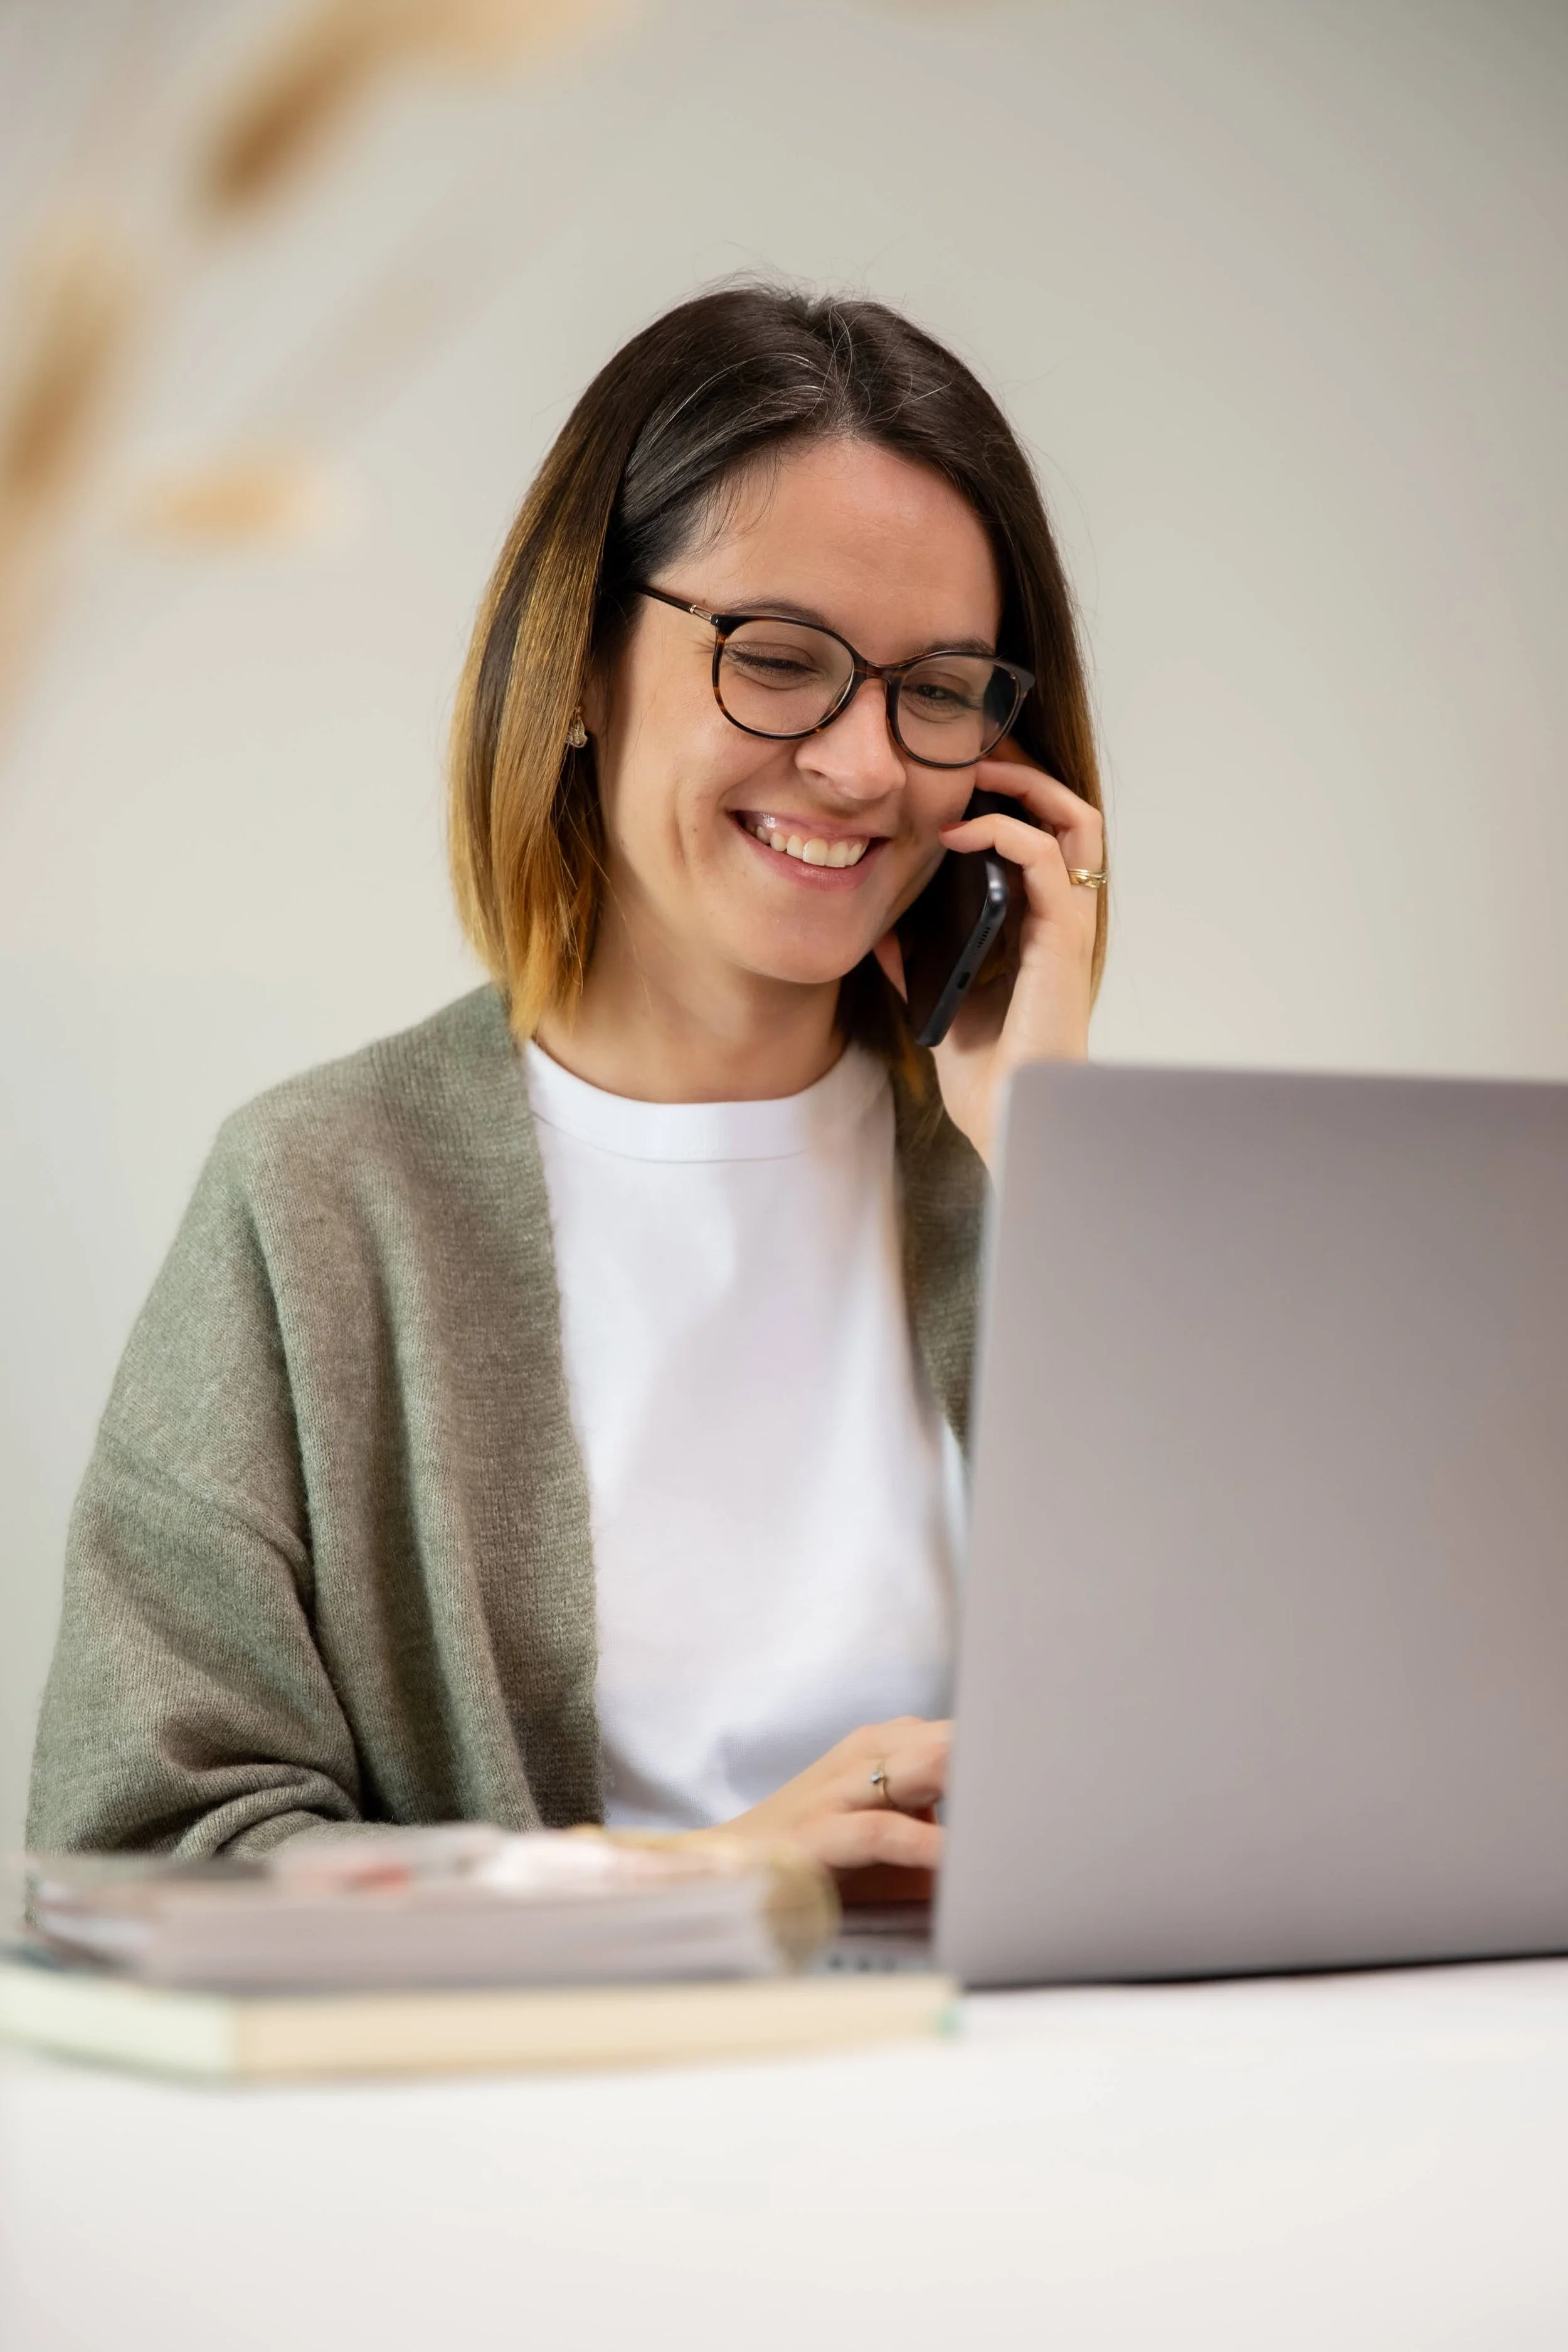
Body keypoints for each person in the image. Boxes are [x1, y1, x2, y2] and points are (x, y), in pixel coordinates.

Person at [28, 285, 1106, 1880]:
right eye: (782, 656)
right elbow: (140, 1849)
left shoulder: (1040, 1190)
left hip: (1032, 2121)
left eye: (939, 689)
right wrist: (695, 1879)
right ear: (584, 662)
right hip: (529, 2121)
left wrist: (1069, 1175)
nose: (865, 763)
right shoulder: (320, 1200)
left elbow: (1295, 1754)